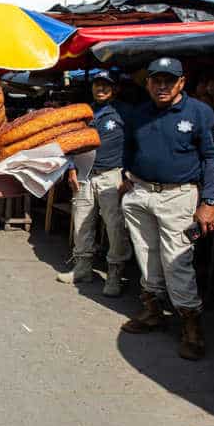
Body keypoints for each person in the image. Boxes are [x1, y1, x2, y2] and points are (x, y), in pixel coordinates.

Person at [120, 57, 214, 361]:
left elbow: (212, 159)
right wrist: (126, 174)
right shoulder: (139, 113)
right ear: (147, 82)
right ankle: (153, 311)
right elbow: (130, 147)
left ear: (181, 82)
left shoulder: (200, 112)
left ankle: (192, 326)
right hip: (140, 194)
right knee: (146, 255)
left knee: (177, 260)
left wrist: (210, 202)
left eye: (169, 80)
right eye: (156, 80)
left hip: (178, 197)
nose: (162, 86)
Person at [57, 69, 132, 295]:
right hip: (84, 174)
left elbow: (136, 144)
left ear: (115, 89)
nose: (101, 89)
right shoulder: (85, 112)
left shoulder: (125, 113)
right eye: (98, 84)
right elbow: (72, 142)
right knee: (81, 222)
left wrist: (129, 174)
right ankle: (82, 268)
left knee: (115, 226)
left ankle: (115, 274)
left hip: (112, 175)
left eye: (106, 85)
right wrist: (71, 168)